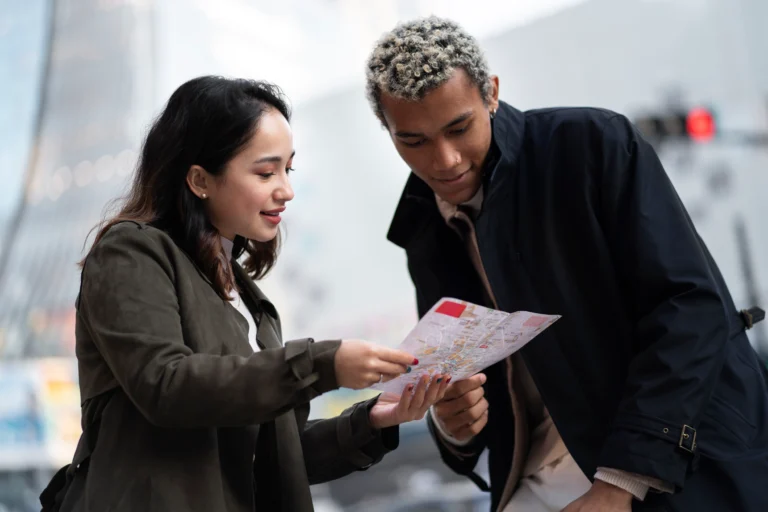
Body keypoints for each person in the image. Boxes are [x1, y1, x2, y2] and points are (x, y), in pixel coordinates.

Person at [364, 15, 768, 512]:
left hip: (669, 461)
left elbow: (689, 308)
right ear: (388, 131)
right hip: (537, 475)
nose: (444, 160)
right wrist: (453, 427)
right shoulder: (422, 225)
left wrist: (620, 481)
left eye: (459, 128)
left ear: (491, 93)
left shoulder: (592, 144)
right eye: (414, 141)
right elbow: (468, 390)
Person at [39, 76, 450, 512]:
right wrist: (320, 364)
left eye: (288, 170)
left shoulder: (247, 298)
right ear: (200, 179)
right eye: (265, 172)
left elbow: (274, 458)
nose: (286, 190)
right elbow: (167, 385)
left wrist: (372, 421)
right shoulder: (130, 252)